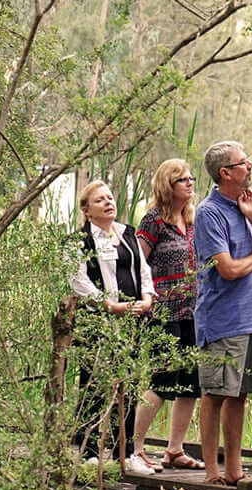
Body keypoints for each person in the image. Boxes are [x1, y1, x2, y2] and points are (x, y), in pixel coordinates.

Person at [192, 141, 252, 487]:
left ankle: (234, 467)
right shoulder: (208, 213)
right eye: (244, 163)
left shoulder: (244, 207)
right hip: (223, 318)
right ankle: (212, 471)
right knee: (215, 393)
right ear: (226, 173)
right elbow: (227, 269)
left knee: (240, 394)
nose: (251, 166)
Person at [123, 159, 205, 476]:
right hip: (164, 311)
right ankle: (136, 448)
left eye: (190, 178)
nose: (189, 183)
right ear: (167, 185)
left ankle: (174, 449)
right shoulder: (154, 221)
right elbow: (136, 265)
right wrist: (144, 301)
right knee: (162, 380)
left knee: (190, 383)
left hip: (194, 310)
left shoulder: (192, 220)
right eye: (182, 179)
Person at [69, 180, 156, 463]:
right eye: (99, 200)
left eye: (109, 197)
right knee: (94, 383)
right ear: (86, 210)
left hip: (131, 320)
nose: (108, 202)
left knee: (128, 385)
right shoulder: (78, 242)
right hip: (99, 321)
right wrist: (108, 305)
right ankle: (90, 451)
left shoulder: (127, 233)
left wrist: (147, 298)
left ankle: (126, 452)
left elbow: (143, 270)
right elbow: (78, 281)